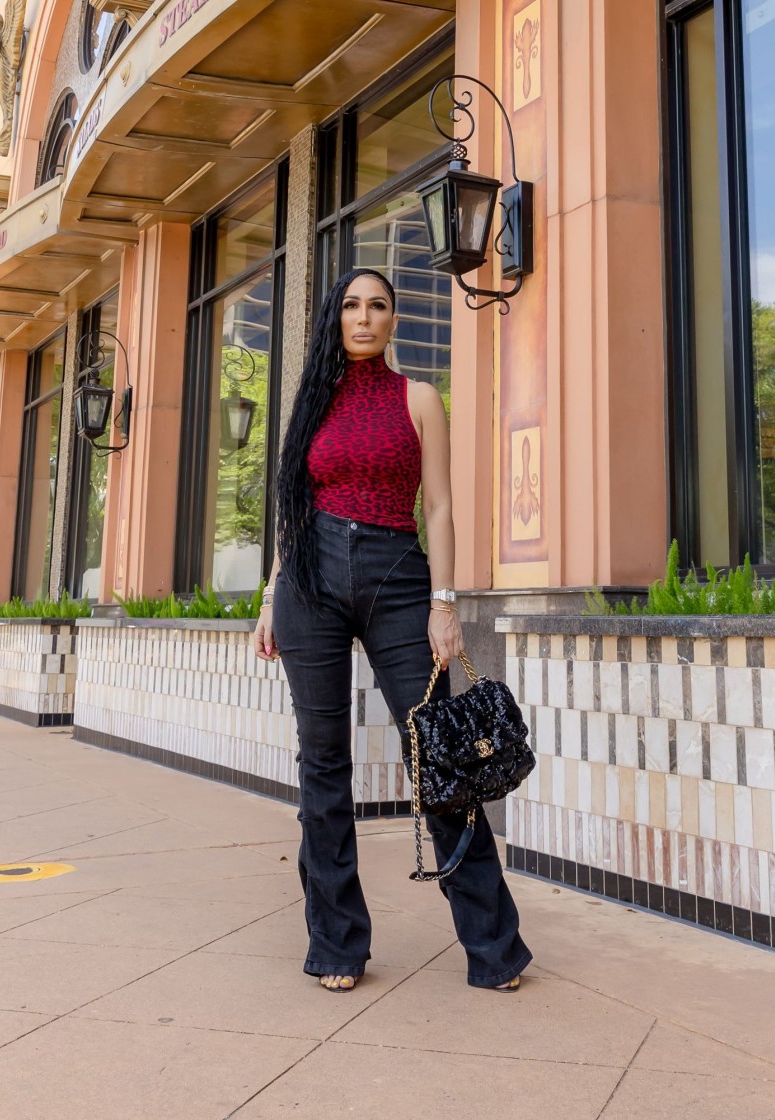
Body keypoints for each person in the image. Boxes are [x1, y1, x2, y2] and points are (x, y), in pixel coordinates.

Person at [253, 267, 531, 993]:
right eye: (351, 306)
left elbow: (437, 505)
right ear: (333, 318)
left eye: (378, 305)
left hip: (396, 576)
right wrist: (268, 594)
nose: (364, 318)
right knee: (321, 764)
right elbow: (292, 507)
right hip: (307, 583)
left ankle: (493, 949)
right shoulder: (309, 404)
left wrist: (445, 602)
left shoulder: (418, 397)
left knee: (439, 764)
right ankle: (336, 945)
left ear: (393, 319)